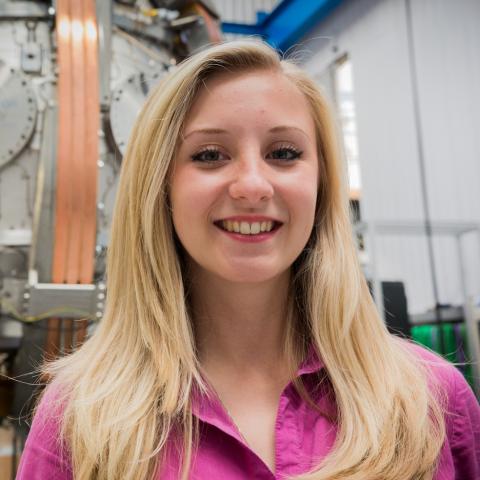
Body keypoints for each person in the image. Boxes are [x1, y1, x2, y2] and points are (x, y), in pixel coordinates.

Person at [17, 39, 479, 480]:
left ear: (322, 185)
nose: (253, 185)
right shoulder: (79, 418)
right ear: (160, 190)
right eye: (210, 155)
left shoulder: (432, 400)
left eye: (284, 153)